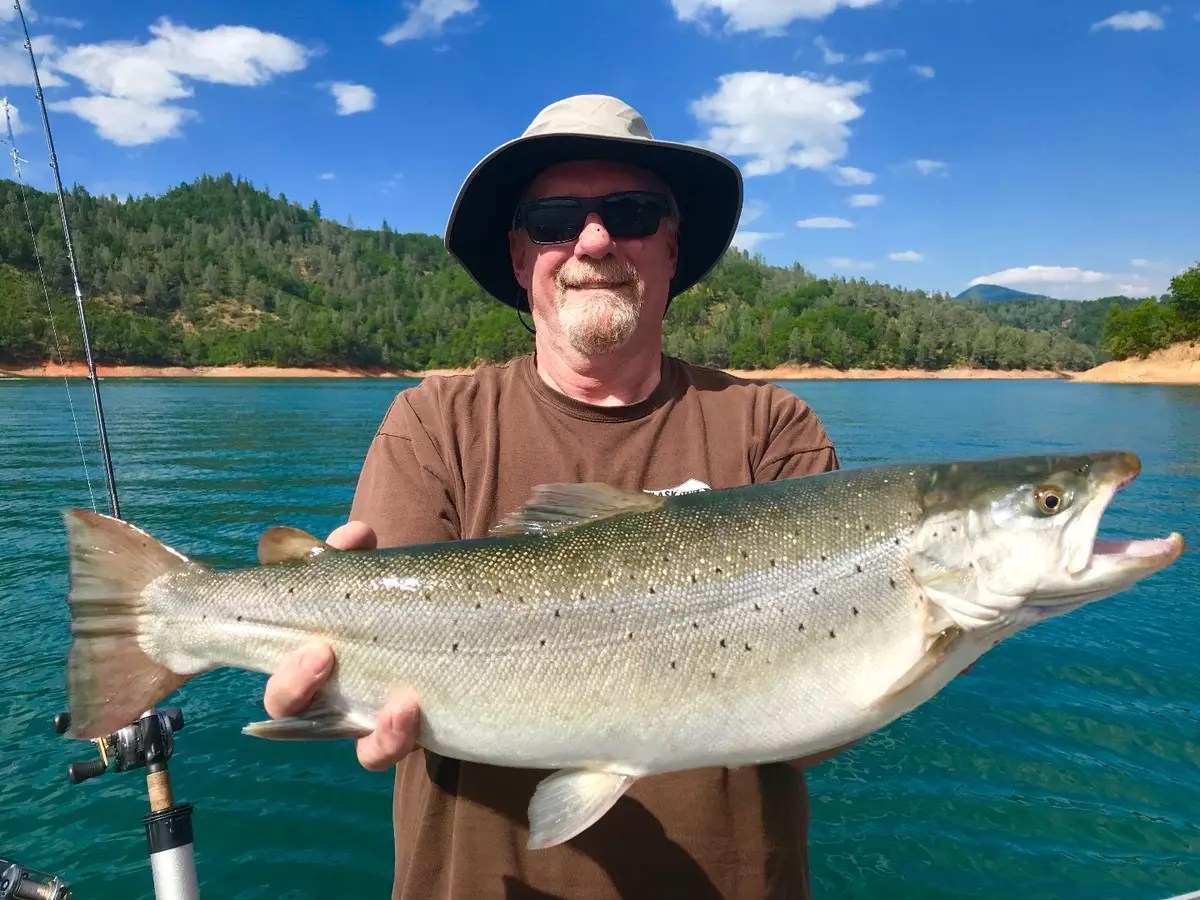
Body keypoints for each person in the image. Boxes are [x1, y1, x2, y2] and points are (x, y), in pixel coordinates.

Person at [263, 94, 842, 899]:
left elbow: (814, 729)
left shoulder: (772, 427)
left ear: (672, 249)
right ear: (518, 256)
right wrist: (326, 683)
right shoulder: (433, 423)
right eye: (555, 219)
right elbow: (377, 672)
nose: (595, 241)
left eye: (632, 214)